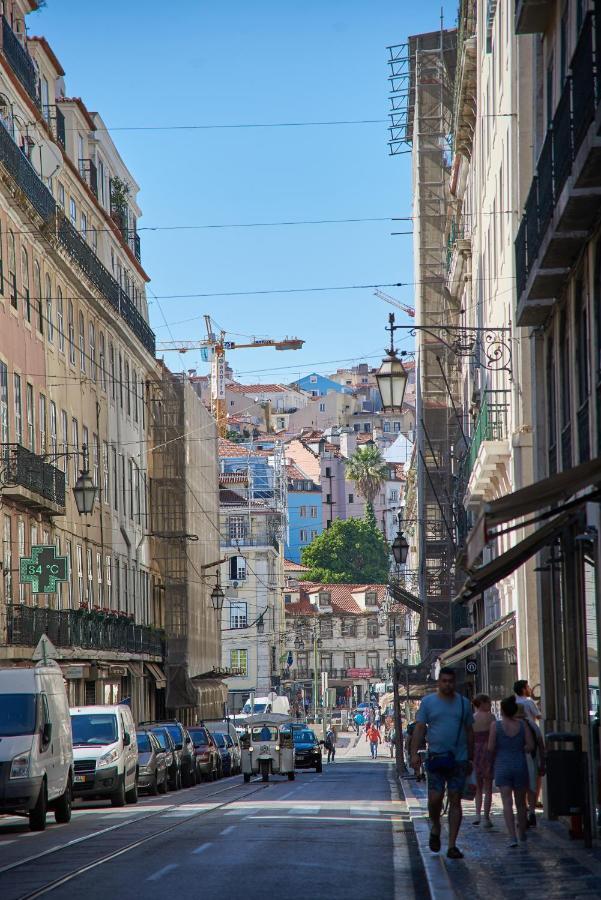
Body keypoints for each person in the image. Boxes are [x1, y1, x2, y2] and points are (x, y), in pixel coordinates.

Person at [411, 667, 474, 860]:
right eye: (444, 680)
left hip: (459, 759)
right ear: (439, 682)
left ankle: (452, 845)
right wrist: (414, 754)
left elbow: (470, 731)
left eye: (451, 681)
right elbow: (420, 729)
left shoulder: (464, 704)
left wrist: (471, 757)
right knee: (434, 799)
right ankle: (436, 827)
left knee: (455, 800)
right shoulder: (428, 703)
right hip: (436, 758)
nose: (448, 684)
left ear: (455, 683)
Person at [488, 695, 535, 848]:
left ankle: (512, 837)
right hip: (519, 764)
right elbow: (530, 746)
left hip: (502, 765)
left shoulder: (496, 726)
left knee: (507, 803)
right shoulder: (522, 725)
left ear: (501, 711)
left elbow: (491, 747)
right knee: (521, 803)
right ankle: (522, 833)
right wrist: (519, 748)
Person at [471, 694, 495, 828]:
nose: (490, 705)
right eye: (488, 703)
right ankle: (486, 817)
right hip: (487, 751)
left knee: (478, 788)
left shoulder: (473, 719)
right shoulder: (491, 717)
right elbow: (494, 736)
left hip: (476, 752)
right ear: (482, 703)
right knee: (488, 787)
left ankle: (477, 814)